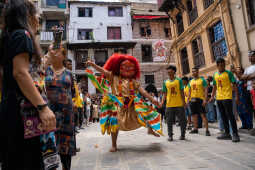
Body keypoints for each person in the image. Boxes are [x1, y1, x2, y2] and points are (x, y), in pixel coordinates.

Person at [0, 0, 56, 169]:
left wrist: (47, 60)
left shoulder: (8, 37)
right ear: (28, 16)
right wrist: (43, 107)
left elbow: (23, 72)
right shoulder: (22, 35)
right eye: (37, 16)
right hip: (24, 115)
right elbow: (21, 73)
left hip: (10, 108)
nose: (38, 20)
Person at [85, 54, 162, 152]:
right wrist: (93, 64)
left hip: (132, 104)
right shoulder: (113, 76)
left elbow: (143, 92)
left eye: (130, 67)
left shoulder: (133, 81)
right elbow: (102, 71)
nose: (127, 69)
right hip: (117, 105)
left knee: (146, 112)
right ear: (118, 67)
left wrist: (153, 100)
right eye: (124, 67)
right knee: (114, 122)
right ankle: (114, 145)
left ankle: (150, 130)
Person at [45, 44, 76, 170]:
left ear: (63, 56)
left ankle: (66, 167)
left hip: (67, 112)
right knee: (49, 141)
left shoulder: (69, 72)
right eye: (53, 51)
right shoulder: (46, 69)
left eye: (59, 52)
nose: (55, 53)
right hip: (50, 110)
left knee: (66, 141)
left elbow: (72, 91)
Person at [209, 58, 240, 142]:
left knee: (230, 116)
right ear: (217, 66)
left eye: (223, 65)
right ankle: (227, 133)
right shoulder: (215, 74)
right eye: (220, 65)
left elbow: (234, 85)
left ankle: (235, 134)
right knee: (223, 116)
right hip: (219, 98)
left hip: (227, 97)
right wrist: (212, 96)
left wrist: (236, 96)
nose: (222, 67)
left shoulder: (229, 73)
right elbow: (215, 86)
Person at [161, 65, 187, 141]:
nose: (168, 71)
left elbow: (182, 92)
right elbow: (164, 93)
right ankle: (170, 135)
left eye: (170, 70)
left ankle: (183, 135)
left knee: (182, 121)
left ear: (174, 71)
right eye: (168, 70)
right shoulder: (165, 82)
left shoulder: (179, 81)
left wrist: (184, 102)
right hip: (169, 105)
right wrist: (162, 102)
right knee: (169, 121)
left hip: (179, 104)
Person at [188, 67, 210, 136]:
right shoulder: (190, 81)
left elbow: (206, 90)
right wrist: (188, 100)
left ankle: (207, 130)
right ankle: (195, 129)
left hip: (200, 100)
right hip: (192, 100)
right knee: (194, 115)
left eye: (195, 71)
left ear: (198, 72)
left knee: (203, 114)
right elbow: (189, 91)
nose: (194, 72)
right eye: (193, 71)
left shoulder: (202, 80)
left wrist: (205, 99)